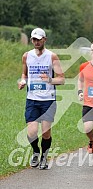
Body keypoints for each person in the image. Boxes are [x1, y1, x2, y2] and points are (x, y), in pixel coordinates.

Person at [18, 28, 65, 169]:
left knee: (45, 132)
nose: (36, 42)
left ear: (45, 39)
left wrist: (49, 80)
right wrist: (22, 81)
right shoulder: (26, 56)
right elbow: (24, 75)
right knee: (31, 132)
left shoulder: (52, 57)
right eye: (34, 39)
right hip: (32, 99)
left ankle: (44, 157)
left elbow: (62, 80)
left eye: (39, 39)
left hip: (48, 101)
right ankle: (36, 152)